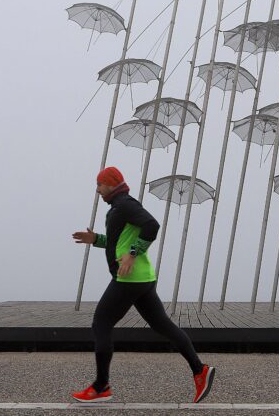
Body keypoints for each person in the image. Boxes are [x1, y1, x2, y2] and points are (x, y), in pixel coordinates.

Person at [70, 166, 216, 404]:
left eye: (99, 184)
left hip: (129, 277)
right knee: (163, 326)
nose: (97, 190)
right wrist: (96, 239)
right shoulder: (119, 206)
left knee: (101, 323)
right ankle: (200, 371)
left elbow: (152, 226)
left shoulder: (125, 204)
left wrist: (133, 253)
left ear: (110, 184)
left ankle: (101, 387)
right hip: (143, 278)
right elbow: (118, 242)